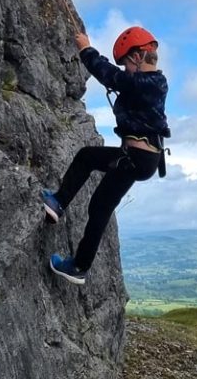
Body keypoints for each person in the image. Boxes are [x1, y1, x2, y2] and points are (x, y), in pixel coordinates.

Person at [44, 26, 170, 285]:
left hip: (137, 157)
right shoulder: (147, 84)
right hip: (140, 159)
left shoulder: (151, 82)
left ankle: (58, 202)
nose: (125, 68)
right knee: (100, 206)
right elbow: (122, 82)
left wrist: (86, 49)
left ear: (137, 56)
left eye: (126, 63)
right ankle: (78, 266)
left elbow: (111, 76)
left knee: (87, 157)